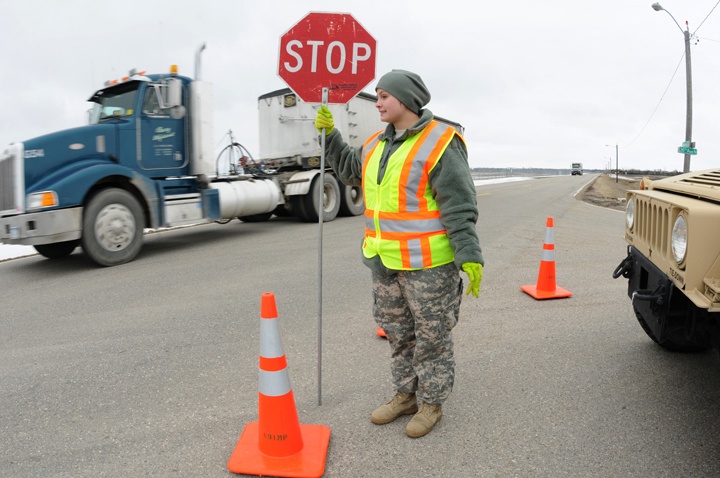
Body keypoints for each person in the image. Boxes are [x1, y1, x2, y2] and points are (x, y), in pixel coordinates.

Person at [315, 69, 484, 438]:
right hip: (383, 261)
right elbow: (348, 170)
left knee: (432, 335)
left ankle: (432, 403)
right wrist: (330, 136)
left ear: (405, 100)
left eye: (383, 96)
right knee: (398, 333)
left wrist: (469, 253)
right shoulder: (375, 142)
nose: (377, 103)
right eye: (376, 96)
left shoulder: (442, 142)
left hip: (429, 265)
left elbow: (459, 204)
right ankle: (406, 395)